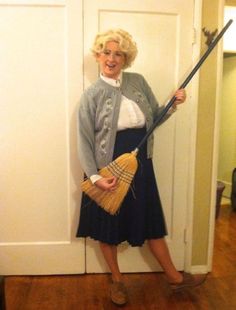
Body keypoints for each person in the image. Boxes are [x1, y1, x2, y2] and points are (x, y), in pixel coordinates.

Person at [76, 29, 206, 306]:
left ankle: (174, 278)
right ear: (98, 56)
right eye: (107, 52)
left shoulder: (137, 82)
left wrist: (171, 105)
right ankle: (117, 281)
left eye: (118, 53)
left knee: (150, 220)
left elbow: (154, 118)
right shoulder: (91, 96)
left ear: (126, 58)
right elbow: (84, 141)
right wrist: (96, 177)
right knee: (108, 227)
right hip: (108, 167)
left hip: (141, 162)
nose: (112, 58)